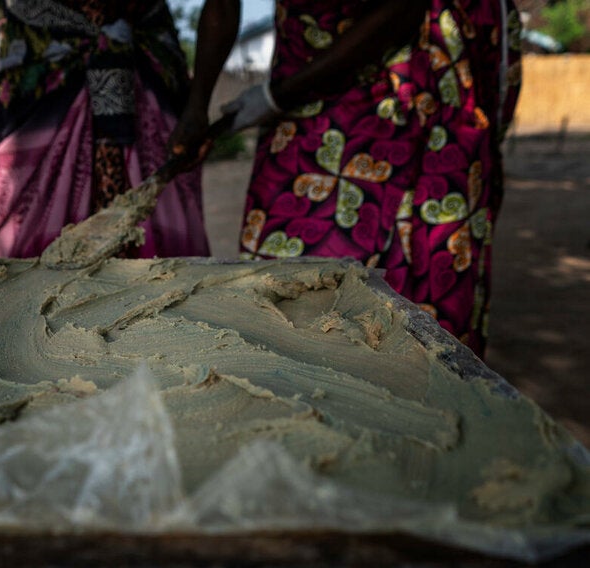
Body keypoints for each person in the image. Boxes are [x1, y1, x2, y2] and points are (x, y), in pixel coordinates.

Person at [173, 0, 522, 358]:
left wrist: (277, 96)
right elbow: (222, 7)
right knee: (281, 281)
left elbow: (399, 11)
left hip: (405, 79)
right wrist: (197, 104)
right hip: (304, 83)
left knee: (416, 295)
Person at [0, 0, 216, 259]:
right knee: (17, 256)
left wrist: (199, 103)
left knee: (168, 260)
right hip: (40, 75)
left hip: (147, 73)